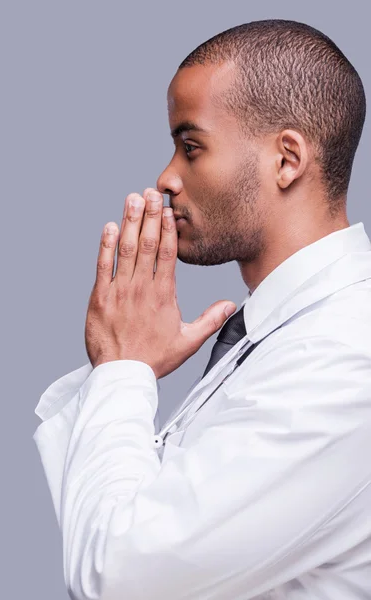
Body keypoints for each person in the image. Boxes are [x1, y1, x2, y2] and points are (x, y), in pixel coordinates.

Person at [33, 19, 371, 600]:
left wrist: (124, 368)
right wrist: (123, 369)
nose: (167, 177)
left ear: (286, 160)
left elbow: (116, 579)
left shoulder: (347, 354)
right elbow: (111, 533)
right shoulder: (278, 337)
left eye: (191, 148)